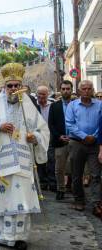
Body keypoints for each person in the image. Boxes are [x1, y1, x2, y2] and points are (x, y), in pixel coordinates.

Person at [0, 63, 50, 249]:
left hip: (24, 163)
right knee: (6, 198)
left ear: (21, 86)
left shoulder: (29, 107)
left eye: (16, 85)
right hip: (4, 163)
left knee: (21, 199)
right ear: (5, 87)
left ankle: (20, 237)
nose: (13, 89)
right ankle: (3, 235)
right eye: (10, 86)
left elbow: (43, 130)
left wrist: (36, 137)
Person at [65, 80, 102, 215]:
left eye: (89, 88)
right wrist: (84, 136)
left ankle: (96, 203)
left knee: (95, 174)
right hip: (77, 143)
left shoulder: (99, 105)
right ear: (79, 91)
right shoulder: (72, 105)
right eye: (84, 89)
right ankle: (79, 200)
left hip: (95, 143)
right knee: (76, 174)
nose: (87, 91)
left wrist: (94, 136)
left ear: (92, 90)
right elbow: (70, 124)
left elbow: (101, 124)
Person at [48, 80, 73, 200]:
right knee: (59, 168)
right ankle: (60, 189)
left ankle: (74, 188)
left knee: (75, 167)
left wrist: (73, 136)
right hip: (60, 141)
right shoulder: (54, 106)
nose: (65, 91)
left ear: (71, 90)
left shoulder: (77, 104)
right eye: (63, 89)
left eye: (68, 89)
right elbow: (51, 124)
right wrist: (59, 136)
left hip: (75, 140)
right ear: (60, 90)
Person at [37, 86, 56, 192]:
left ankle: (52, 182)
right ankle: (43, 182)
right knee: (40, 160)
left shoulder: (53, 105)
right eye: (39, 94)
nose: (41, 96)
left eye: (43, 94)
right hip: (38, 136)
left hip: (50, 136)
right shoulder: (34, 106)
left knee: (51, 160)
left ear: (47, 94)